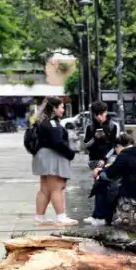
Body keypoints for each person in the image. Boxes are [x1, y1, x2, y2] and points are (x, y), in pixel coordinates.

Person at [31, 97, 78, 226]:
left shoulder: (42, 120)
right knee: (57, 188)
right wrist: (70, 153)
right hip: (52, 157)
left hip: (42, 156)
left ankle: (39, 218)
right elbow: (57, 142)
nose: (63, 110)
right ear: (54, 108)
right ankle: (61, 217)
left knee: (45, 189)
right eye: (61, 107)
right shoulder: (52, 122)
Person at [85, 133, 136, 227]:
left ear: (118, 146)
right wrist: (101, 171)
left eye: (116, 149)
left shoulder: (125, 154)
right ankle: (98, 216)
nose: (116, 151)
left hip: (134, 188)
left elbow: (112, 172)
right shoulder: (134, 152)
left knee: (102, 185)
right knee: (103, 182)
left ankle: (101, 218)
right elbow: (115, 170)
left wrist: (99, 171)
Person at [84, 101, 119, 170]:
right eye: (96, 114)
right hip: (95, 160)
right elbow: (86, 146)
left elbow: (115, 145)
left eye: (101, 114)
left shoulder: (113, 126)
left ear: (105, 112)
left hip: (110, 158)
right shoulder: (89, 127)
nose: (99, 117)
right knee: (97, 179)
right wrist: (95, 138)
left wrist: (104, 159)